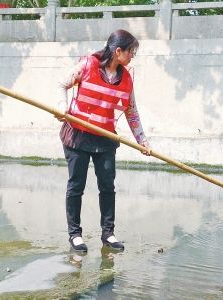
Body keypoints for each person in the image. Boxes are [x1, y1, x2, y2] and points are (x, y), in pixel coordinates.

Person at [56, 29, 151, 253]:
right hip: (78, 134)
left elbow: (131, 111)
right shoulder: (88, 65)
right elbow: (62, 84)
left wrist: (142, 141)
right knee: (76, 185)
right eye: (131, 52)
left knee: (107, 185)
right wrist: (63, 108)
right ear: (118, 51)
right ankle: (75, 235)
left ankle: (108, 233)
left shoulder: (126, 78)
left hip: (106, 137)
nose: (132, 57)